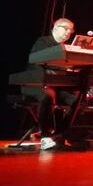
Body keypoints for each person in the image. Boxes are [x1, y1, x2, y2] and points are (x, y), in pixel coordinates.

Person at [21, 18, 78, 150]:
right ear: (55, 27)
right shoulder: (43, 42)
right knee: (47, 95)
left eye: (71, 30)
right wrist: (65, 68)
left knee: (76, 100)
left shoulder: (64, 47)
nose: (68, 32)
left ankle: (59, 134)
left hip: (55, 85)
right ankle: (45, 136)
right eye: (65, 28)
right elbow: (40, 60)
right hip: (34, 84)